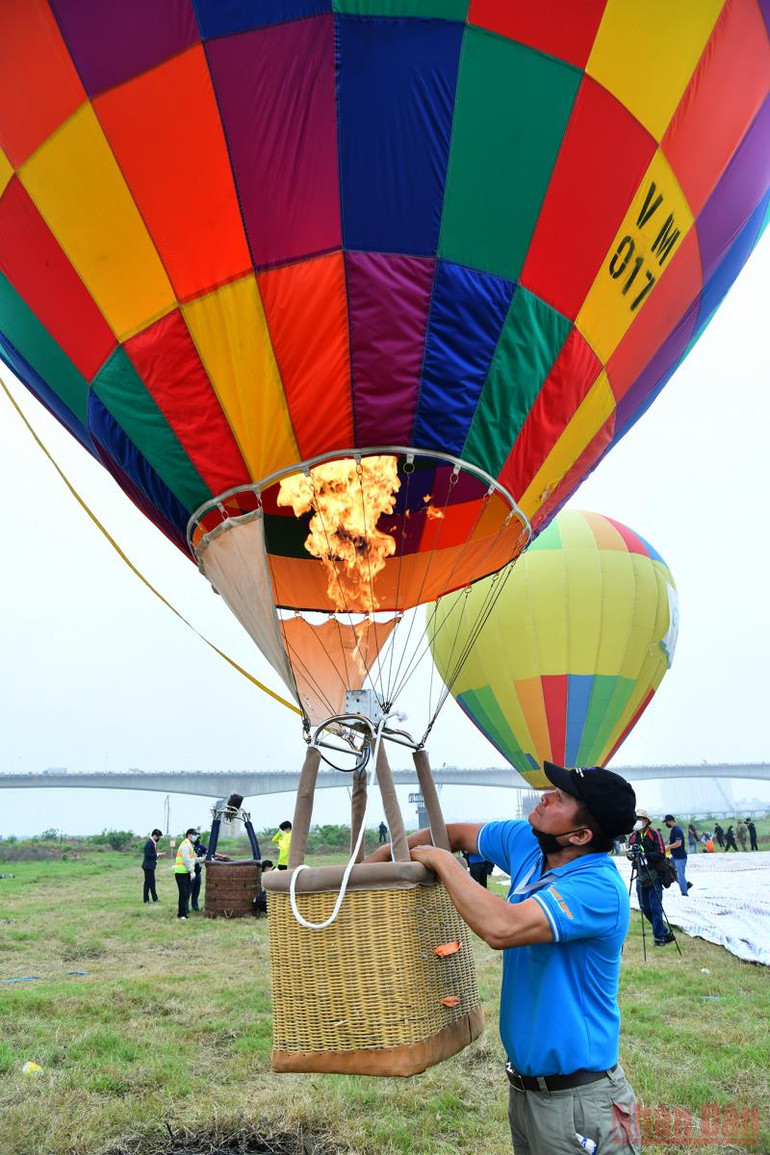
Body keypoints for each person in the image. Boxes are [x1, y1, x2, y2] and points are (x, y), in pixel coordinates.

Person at [368, 762, 641, 1155]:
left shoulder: (598, 888)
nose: (545, 796)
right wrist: (376, 862)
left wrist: (442, 862)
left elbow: (502, 928)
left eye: (560, 798)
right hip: (527, 1093)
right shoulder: (529, 843)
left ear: (580, 835)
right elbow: (457, 834)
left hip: (580, 1102)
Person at [627, 809, 674, 946]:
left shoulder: (654, 834)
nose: (637, 821)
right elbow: (630, 853)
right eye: (636, 818)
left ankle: (659, 938)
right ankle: (665, 932)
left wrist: (644, 855)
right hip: (640, 875)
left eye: (640, 818)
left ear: (646, 821)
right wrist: (631, 855)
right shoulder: (633, 836)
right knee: (645, 907)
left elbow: (660, 853)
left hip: (654, 874)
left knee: (655, 907)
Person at [189, 831, 230, 912]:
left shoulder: (200, 847)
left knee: (196, 892)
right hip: (190, 872)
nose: (198, 839)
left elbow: (211, 852)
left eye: (199, 838)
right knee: (188, 892)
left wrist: (222, 856)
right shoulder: (188, 847)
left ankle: (195, 907)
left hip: (198, 873)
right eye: (197, 838)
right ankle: (185, 908)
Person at [174, 827, 204, 920]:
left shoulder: (189, 845)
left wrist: (203, 859)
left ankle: (183, 913)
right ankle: (182, 914)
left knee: (186, 893)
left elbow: (192, 859)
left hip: (185, 872)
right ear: (189, 835)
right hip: (181, 872)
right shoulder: (185, 845)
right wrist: (191, 871)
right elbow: (186, 860)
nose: (196, 837)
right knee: (183, 893)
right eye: (194, 835)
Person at [664, 814, 691, 896]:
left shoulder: (677, 830)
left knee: (680, 875)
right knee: (671, 871)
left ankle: (684, 892)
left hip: (680, 857)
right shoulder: (673, 830)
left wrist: (668, 847)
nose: (666, 824)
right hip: (674, 856)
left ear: (670, 821)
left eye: (667, 822)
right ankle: (686, 885)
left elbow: (678, 843)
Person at [141, 828, 164, 904]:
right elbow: (147, 855)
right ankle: (146, 900)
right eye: (158, 837)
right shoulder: (149, 843)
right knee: (148, 883)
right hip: (148, 866)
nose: (158, 839)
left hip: (151, 866)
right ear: (154, 835)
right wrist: (157, 854)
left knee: (152, 882)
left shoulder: (153, 843)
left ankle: (155, 898)